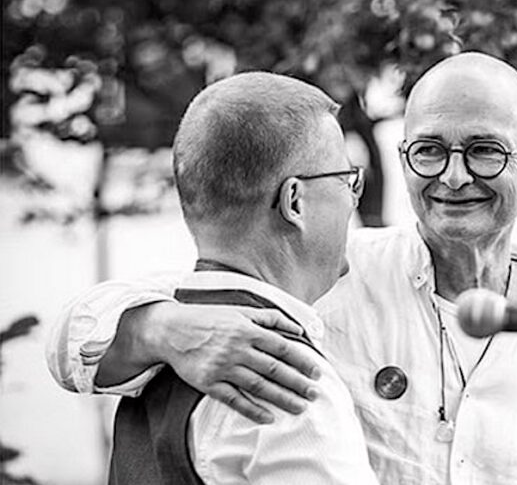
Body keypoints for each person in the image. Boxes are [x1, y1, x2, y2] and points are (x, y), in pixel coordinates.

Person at [48, 53, 517, 484]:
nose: (453, 177)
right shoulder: (328, 274)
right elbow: (75, 336)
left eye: (485, 150)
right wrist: (159, 329)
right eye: (429, 151)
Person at [100, 71, 378, 484]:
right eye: (345, 179)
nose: (352, 199)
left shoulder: (149, 353)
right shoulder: (282, 382)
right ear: (295, 201)